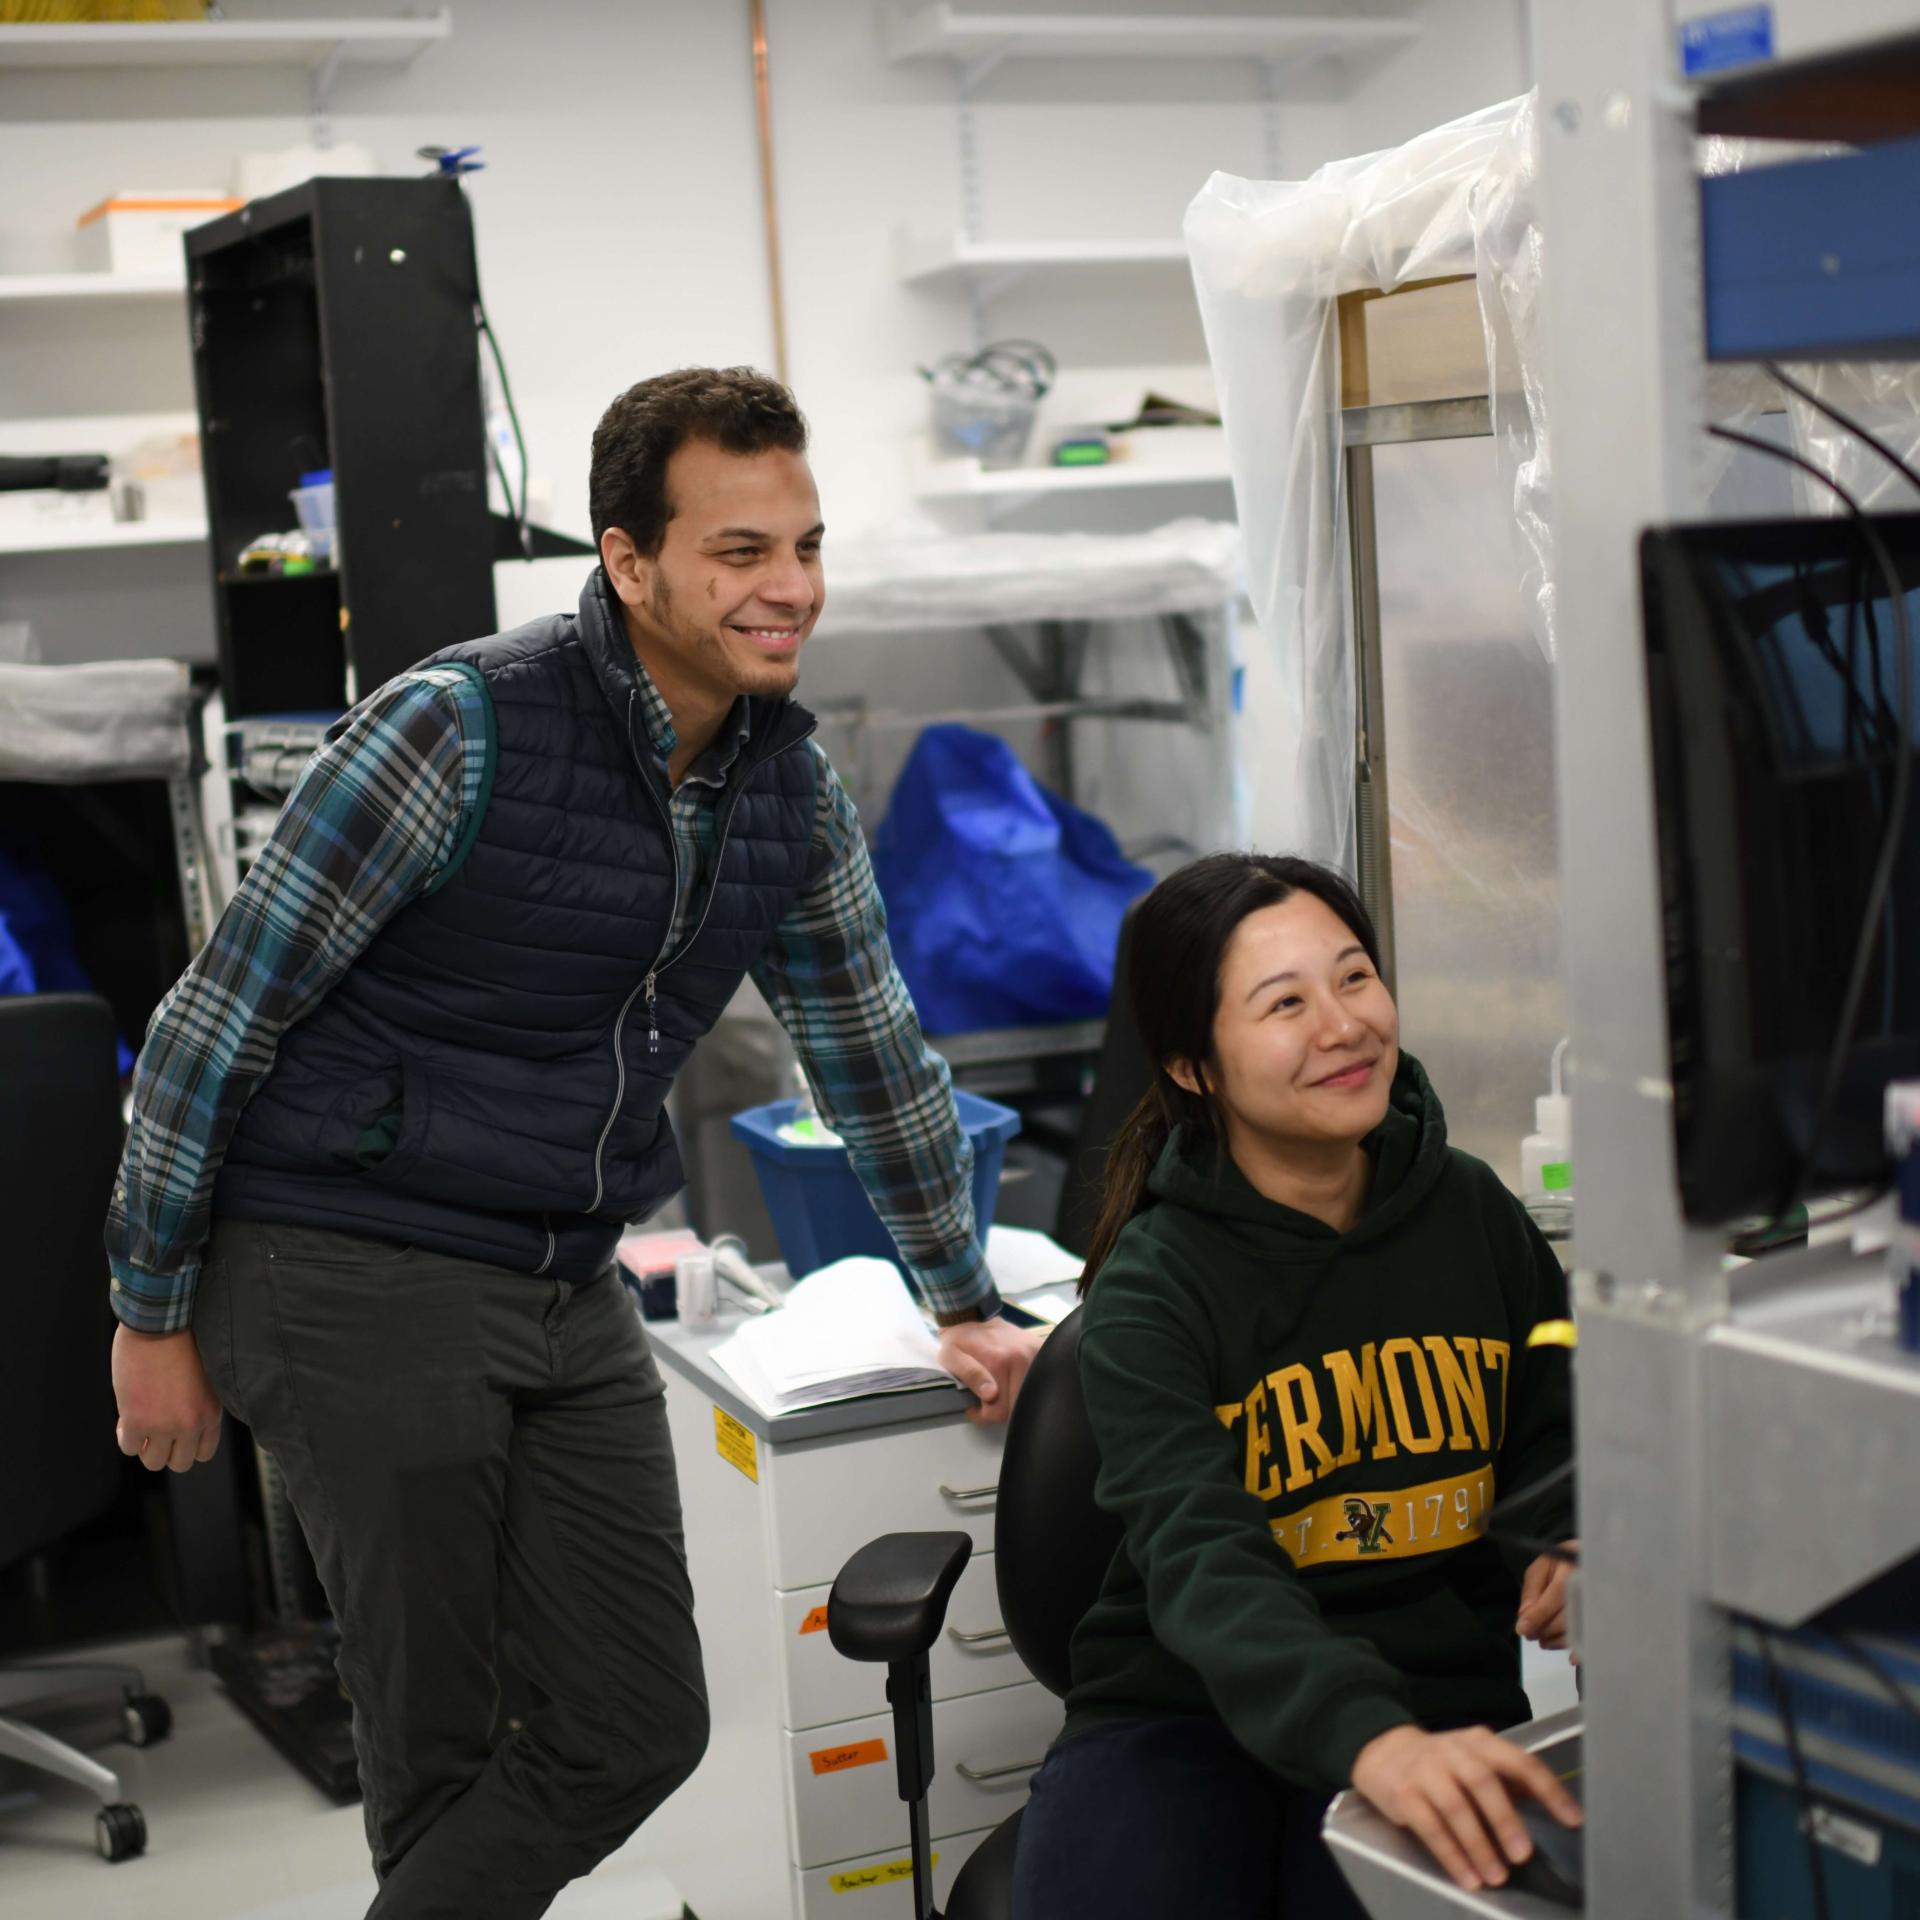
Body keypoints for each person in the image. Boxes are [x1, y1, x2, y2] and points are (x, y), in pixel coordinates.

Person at [104, 367, 1043, 1919]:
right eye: (741, 552)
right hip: (349, 1263)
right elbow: (215, 1024)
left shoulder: (782, 785)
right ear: (628, 560)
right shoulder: (454, 730)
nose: (789, 589)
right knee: (438, 1746)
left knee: (639, 1721)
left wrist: (960, 1294)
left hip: (564, 1272)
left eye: (806, 546)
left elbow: (869, 1046)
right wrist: (149, 1312)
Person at [1011, 853, 1581, 1919]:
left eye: (1355, 976)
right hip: (1183, 1717)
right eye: (1286, 1003)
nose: (1343, 1025)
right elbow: (1203, 1559)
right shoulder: (1155, 1286)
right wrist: (1372, 1740)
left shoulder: (1473, 1213)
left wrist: (1573, 1532)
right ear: (1193, 1067)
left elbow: (1558, 1417)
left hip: (1435, 1705)